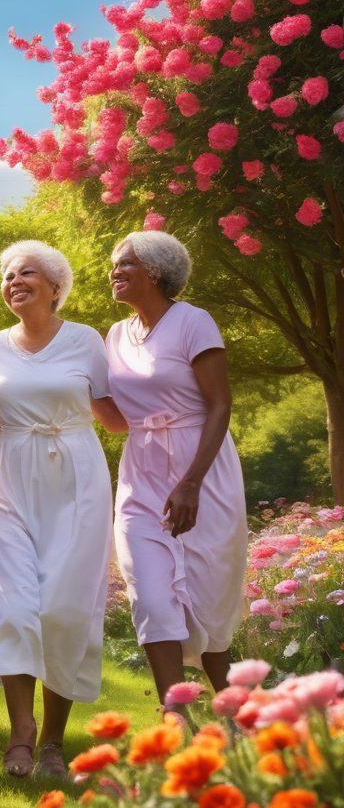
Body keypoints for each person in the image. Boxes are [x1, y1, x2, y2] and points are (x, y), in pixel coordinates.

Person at [0, 240, 122, 779]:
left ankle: (55, 744)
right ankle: (21, 735)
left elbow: (114, 417)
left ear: (55, 286)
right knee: (13, 606)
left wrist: (173, 404)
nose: (14, 280)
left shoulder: (87, 341)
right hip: (7, 478)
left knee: (63, 611)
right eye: (8, 274)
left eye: (27, 273)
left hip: (75, 480)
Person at [106, 230, 247, 705]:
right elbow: (111, 411)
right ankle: (175, 716)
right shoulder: (116, 335)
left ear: (157, 271)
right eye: (115, 264)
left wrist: (191, 482)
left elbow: (220, 403)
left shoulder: (194, 321)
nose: (115, 272)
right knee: (149, 594)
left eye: (126, 264)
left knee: (209, 595)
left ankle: (232, 709)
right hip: (141, 472)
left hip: (201, 468)